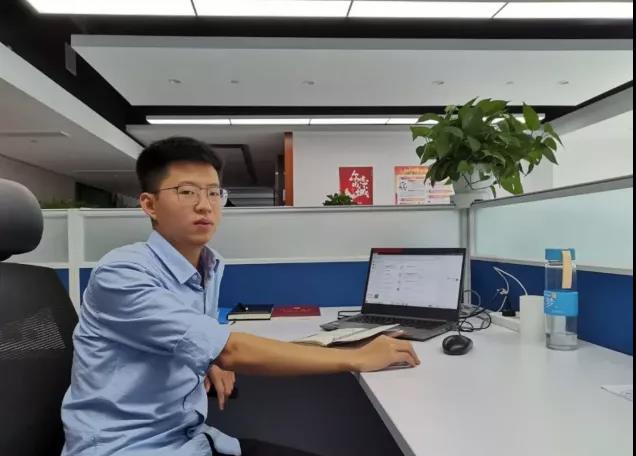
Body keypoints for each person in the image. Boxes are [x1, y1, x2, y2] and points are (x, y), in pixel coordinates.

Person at [61, 137, 420, 456]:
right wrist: (355, 358)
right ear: (149, 204)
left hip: (192, 439)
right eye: (186, 192)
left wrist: (207, 359)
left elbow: (188, 337)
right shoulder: (122, 273)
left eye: (213, 192)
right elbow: (231, 349)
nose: (205, 205)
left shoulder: (207, 266)